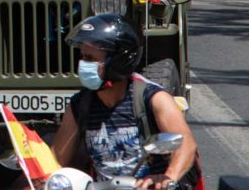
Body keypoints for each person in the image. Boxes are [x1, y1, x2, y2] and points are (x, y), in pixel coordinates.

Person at [51, 13, 200, 189]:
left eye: (90, 59)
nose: (83, 64)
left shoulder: (154, 99)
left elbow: (186, 144)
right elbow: (55, 161)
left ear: (119, 61)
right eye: (83, 57)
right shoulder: (80, 105)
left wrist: (169, 177)